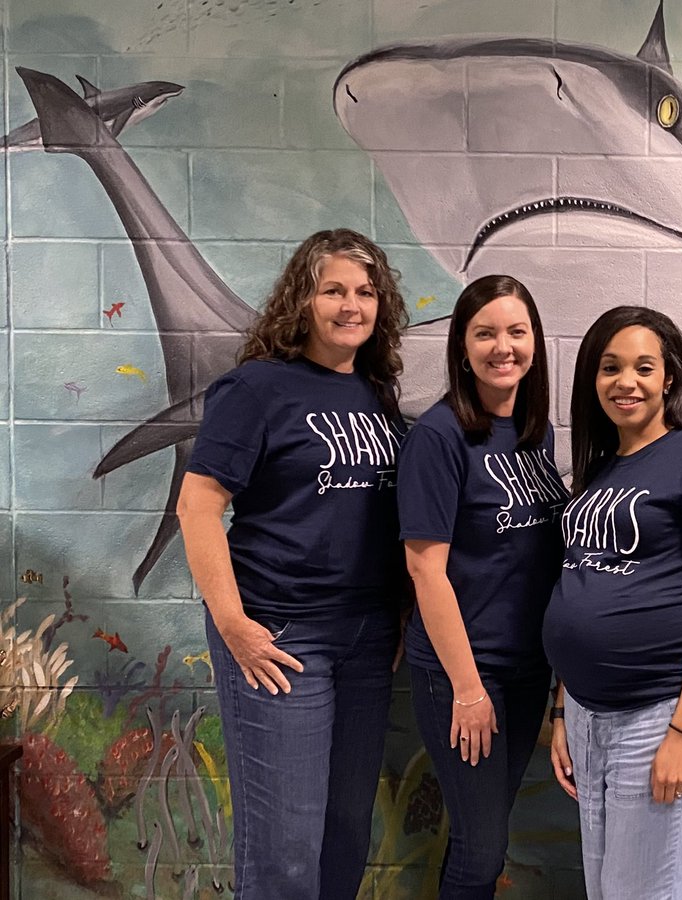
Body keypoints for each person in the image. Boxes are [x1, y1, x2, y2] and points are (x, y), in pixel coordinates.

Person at [176, 229, 409, 900]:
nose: (350, 305)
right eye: (332, 289)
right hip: (280, 635)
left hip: (363, 639)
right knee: (284, 848)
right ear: (301, 300)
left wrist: (390, 613)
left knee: (344, 833)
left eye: (365, 292)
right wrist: (234, 624)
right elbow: (198, 506)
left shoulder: (376, 392)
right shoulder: (256, 388)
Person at [543, 306, 682, 900]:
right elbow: (578, 583)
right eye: (609, 368)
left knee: (644, 892)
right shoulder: (601, 468)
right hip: (585, 712)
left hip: (657, 712)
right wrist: (562, 710)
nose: (624, 381)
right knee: (606, 887)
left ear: (670, 378)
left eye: (642, 367)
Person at [397, 274, 568, 899]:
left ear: (535, 343)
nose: (504, 346)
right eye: (486, 333)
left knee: (485, 837)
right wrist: (468, 689)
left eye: (517, 332)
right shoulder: (439, 438)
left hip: (525, 673)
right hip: (465, 675)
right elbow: (425, 571)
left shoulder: (534, 433)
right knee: (482, 845)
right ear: (462, 348)